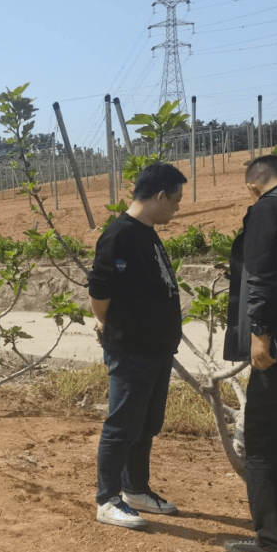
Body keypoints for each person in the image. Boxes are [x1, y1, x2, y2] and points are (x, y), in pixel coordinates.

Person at [88, 162, 186, 530]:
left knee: (146, 424)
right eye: (175, 201)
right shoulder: (120, 234)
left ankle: (135, 490)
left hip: (157, 347)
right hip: (131, 347)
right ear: (159, 197)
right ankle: (107, 499)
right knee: (122, 425)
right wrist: (103, 322)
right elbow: (100, 289)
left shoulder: (147, 232)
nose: (177, 208)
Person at [222, 153, 277, 552]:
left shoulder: (268, 207)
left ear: (253, 183)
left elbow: (262, 275)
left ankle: (272, 542)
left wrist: (259, 336)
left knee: (262, 441)